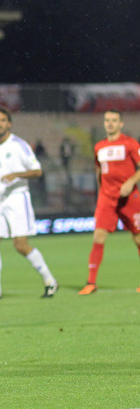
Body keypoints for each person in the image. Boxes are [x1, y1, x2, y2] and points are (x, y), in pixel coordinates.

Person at [0, 107, 58, 300]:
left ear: (9, 124)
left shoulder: (19, 145)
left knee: (21, 245)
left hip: (17, 197)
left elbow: (37, 171)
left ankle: (50, 280)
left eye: (2, 120)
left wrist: (16, 174)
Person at [79, 110, 140, 295]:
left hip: (129, 198)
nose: (110, 123)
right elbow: (99, 171)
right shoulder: (99, 146)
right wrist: (100, 193)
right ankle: (91, 282)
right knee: (98, 236)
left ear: (121, 124)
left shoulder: (130, 143)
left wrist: (130, 182)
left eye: (114, 120)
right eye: (107, 120)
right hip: (107, 198)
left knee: (138, 238)